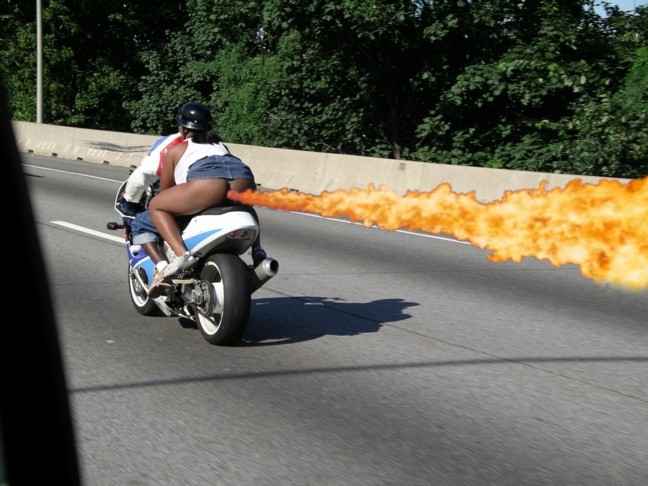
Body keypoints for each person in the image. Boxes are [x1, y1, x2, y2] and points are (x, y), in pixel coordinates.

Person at [128, 102, 266, 292]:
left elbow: (166, 192)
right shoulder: (221, 146)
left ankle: (177, 258)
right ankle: (258, 252)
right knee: (245, 208)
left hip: (208, 184)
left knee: (154, 208)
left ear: (184, 129)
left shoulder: (176, 150)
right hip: (243, 180)